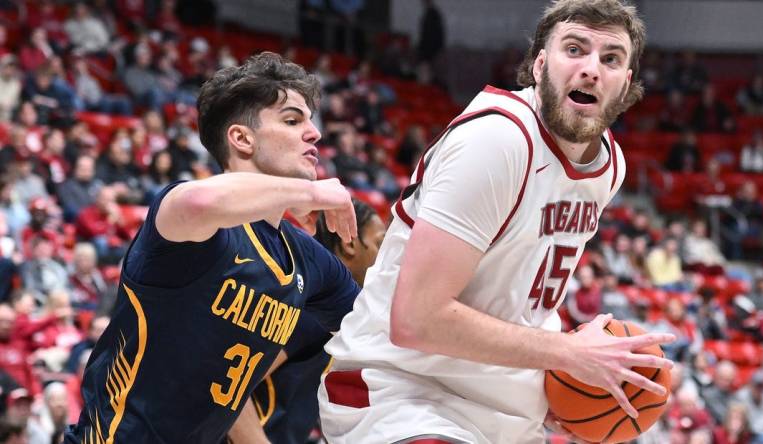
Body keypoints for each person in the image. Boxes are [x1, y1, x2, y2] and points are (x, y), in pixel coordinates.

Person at [318, 1, 675, 443]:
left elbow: (517, 294)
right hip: (405, 396)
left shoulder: (609, 166)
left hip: (506, 413)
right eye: (575, 49)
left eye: (610, 58)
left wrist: (565, 391)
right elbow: (415, 318)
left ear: (626, 85)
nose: (591, 69)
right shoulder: (498, 140)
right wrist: (569, 353)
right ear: (540, 65)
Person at [63, 52, 360, 444]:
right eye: (292, 120)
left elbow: (376, 329)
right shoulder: (191, 223)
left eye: (310, 119)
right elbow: (201, 202)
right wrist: (309, 191)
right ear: (241, 139)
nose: (314, 133)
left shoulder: (307, 260)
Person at [245, 199, 386, 444]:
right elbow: (234, 387)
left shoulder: (343, 309)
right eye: (380, 244)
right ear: (350, 244)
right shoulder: (314, 310)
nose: (386, 256)